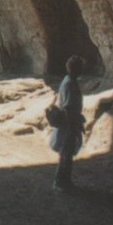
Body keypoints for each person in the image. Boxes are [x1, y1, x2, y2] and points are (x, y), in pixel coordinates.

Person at [49, 55, 86, 192]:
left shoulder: (68, 80)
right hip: (67, 124)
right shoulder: (70, 84)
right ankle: (60, 182)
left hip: (68, 123)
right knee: (66, 154)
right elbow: (69, 109)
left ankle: (65, 181)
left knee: (67, 153)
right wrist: (72, 128)